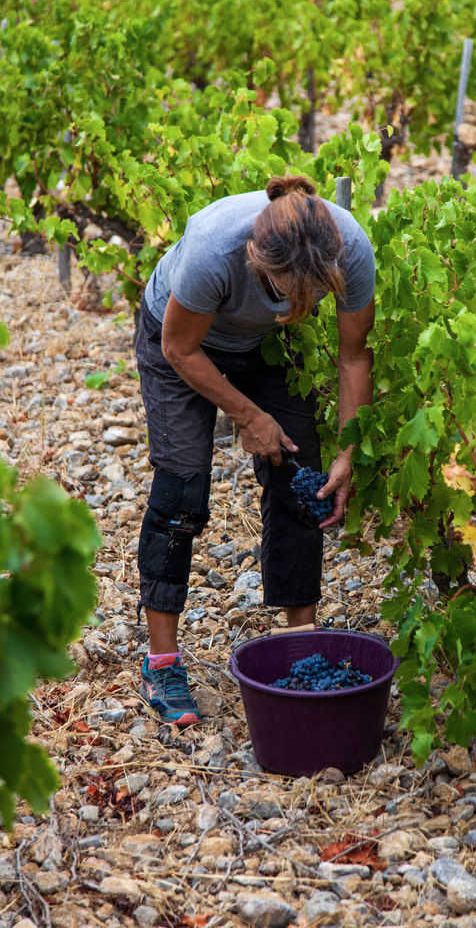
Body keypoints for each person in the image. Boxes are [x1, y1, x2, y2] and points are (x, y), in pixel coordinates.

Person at [135, 175, 375, 725]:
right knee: (181, 491)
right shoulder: (214, 250)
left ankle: (300, 645)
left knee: (303, 480)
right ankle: (161, 662)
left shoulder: (350, 248)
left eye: (313, 293)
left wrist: (348, 451)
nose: (303, 301)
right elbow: (178, 347)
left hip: (265, 343)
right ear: (257, 262)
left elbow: (354, 357)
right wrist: (247, 415)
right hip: (181, 342)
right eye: (290, 290)